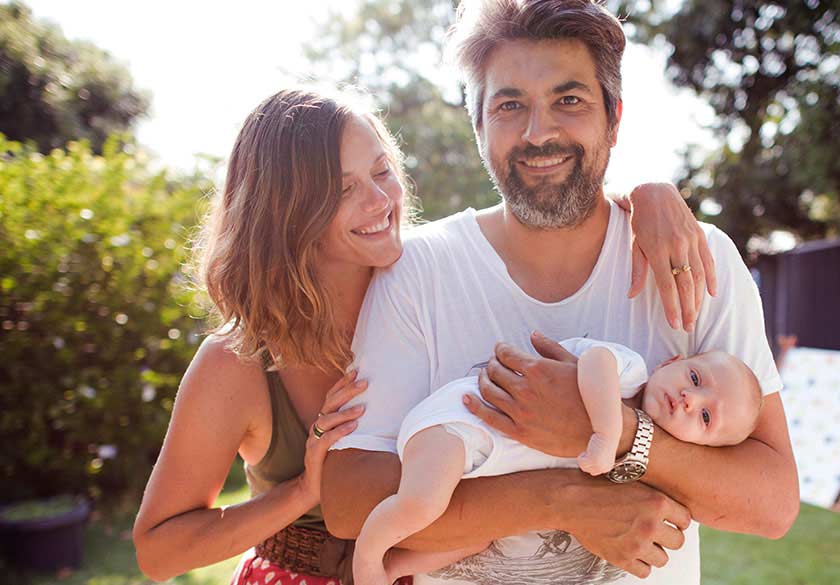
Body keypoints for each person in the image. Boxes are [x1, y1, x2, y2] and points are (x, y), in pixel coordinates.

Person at [131, 87, 714, 583]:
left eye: (382, 170)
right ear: (283, 210)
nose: (381, 201)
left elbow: (546, 215)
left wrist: (649, 195)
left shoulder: (433, 280)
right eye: (341, 189)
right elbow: (159, 550)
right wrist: (304, 492)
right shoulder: (239, 363)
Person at [322, 1, 800, 585]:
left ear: (614, 118)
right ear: (478, 127)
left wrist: (617, 433)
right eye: (509, 105)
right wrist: (561, 499)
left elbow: (772, 504)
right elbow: (349, 502)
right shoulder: (416, 270)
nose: (538, 132)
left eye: (568, 100)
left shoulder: (696, 261)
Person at [352, 338, 764, 585]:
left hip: (482, 463)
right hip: (459, 424)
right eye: (694, 379)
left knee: (476, 540)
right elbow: (595, 362)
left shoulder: (652, 467)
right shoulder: (630, 374)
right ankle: (367, 557)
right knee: (423, 503)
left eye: (705, 417)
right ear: (671, 363)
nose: (691, 399)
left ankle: (393, 567)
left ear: (703, 445)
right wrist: (607, 432)